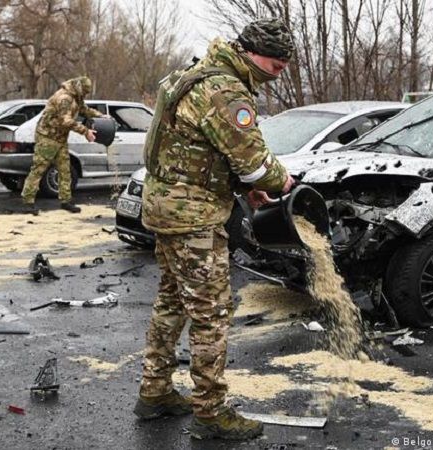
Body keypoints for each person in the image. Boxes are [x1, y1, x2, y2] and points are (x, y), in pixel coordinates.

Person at [133, 18, 295, 440]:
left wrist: (246, 189)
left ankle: (155, 392)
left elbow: (197, 148)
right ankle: (210, 413)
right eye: (275, 65)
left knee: (171, 301)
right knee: (212, 313)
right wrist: (278, 182)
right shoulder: (225, 90)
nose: (278, 73)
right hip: (193, 218)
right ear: (250, 50)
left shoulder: (194, 74)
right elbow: (254, 160)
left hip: (165, 207)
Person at [21, 76, 101, 215]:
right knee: (39, 169)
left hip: (60, 138)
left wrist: (101, 115)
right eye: (85, 92)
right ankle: (28, 201)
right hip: (47, 137)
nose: (85, 95)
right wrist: (86, 132)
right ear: (79, 87)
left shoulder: (76, 96)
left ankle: (66, 201)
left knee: (65, 169)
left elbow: (84, 109)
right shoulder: (64, 98)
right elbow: (66, 121)